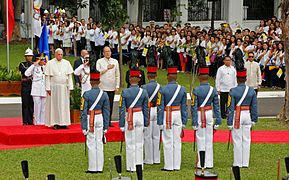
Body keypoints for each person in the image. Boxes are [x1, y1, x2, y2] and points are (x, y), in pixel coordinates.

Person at [157, 67, 187, 171]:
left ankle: (169, 166)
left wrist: (160, 122)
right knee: (177, 140)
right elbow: (184, 107)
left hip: (167, 114)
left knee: (167, 140)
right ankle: (176, 165)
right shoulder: (182, 89)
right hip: (178, 114)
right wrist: (184, 121)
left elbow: (160, 107)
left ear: (167, 77)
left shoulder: (162, 89)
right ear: (176, 76)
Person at [191, 67, 222, 168]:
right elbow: (217, 106)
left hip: (200, 113)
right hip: (209, 113)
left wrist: (194, 121)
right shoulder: (213, 90)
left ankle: (201, 163)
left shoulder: (196, 90)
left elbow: (193, 107)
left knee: (200, 138)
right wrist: (218, 119)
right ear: (208, 78)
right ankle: (209, 162)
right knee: (209, 137)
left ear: (200, 78)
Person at [119, 69, 149, 172]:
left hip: (129, 116)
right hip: (140, 116)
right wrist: (146, 123)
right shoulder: (144, 92)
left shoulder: (125, 92)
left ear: (130, 79)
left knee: (130, 142)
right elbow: (146, 109)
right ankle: (139, 164)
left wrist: (122, 124)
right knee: (139, 142)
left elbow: (122, 109)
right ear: (139, 79)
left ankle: (131, 166)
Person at [227, 69, 258, 168]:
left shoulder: (233, 91)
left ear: (237, 79)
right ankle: (245, 163)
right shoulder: (251, 90)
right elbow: (254, 106)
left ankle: (237, 163)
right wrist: (254, 119)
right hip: (247, 115)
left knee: (237, 139)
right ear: (245, 79)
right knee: (247, 139)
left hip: (237, 115)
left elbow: (230, 108)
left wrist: (229, 122)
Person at [81, 70, 110, 174]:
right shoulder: (104, 95)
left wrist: (84, 126)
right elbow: (107, 112)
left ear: (90, 81)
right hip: (100, 118)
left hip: (90, 118)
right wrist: (106, 126)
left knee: (91, 143)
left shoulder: (86, 94)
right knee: (99, 142)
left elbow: (83, 112)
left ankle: (92, 167)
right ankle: (100, 167)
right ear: (99, 81)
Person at [44, 48, 74, 129]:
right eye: (58, 54)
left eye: (61, 54)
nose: (60, 56)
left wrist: (70, 87)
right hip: (54, 88)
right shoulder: (50, 63)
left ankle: (64, 122)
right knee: (55, 105)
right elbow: (47, 77)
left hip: (64, 88)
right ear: (55, 54)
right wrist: (48, 88)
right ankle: (56, 122)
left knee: (64, 105)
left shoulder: (66, 63)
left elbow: (69, 76)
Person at [96, 46, 120, 127]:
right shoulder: (99, 61)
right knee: (102, 105)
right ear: (103, 53)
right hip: (102, 86)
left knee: (110, 104)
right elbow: (97, 73)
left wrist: (117, 85)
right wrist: (107, 68)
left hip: (111, 86)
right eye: (106, 51)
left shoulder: (115, 61)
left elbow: (117, 75)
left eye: (109, 51)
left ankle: (108, 120)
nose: (108, 53)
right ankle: (102, 120)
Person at [142, 66, 161, 164]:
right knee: (156, 135)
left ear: (147, 76)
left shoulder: (144, 87)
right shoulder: (160, 87)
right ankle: (157, 159)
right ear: (156, 76)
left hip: (148, 111)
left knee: (147, 136)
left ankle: (149, 159)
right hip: (157, 110)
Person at [24, 55, 46, 125]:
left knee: (43, 107)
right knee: (37, 106)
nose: (42, 61)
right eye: (41, 59)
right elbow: (26, 73)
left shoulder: (45, 67)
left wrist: (47, 61)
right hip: (36, 89)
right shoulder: (34, 67)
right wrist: (34, 65)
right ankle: (37, 122)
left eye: (43, 59)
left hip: (44, 89)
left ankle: (42, 122)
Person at [19, 48, 34, 125]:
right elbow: (25, 72)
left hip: (32, 85)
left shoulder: (34, 64)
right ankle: (25, 121)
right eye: (28, 56)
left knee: (31, 103)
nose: (29, 57)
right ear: (25, 56)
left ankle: (30, 120)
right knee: (25, 103)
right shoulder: (22, 64)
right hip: (25, 86)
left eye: (30, 56)